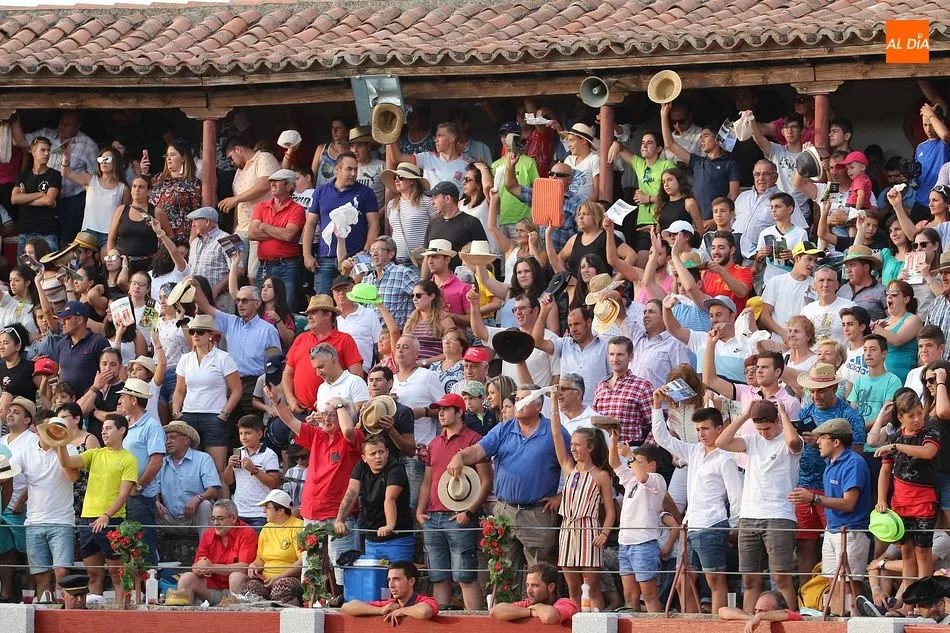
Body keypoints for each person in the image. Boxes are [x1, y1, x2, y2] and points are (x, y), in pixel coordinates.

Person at [447, 386, 568, 574]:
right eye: (517, 399)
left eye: (524, 400)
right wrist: (460, 456)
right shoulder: (503, 428)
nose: (518, 403)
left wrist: (562, 496)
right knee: (502, 572)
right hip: (505, 510)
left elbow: (575, 467)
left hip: (538, 513)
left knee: (540, 572)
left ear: (538, 406)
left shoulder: (554, 431)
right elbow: (478, 451)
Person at [651, 399, 742, 614]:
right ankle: (692, 625)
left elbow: (736, 496)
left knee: (715, 580)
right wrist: (656, 406)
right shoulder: (694, 451)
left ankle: (717, 626)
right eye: (698, 429)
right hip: (691, 525)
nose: (701, 433)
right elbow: (662, 438)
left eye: (706, 428)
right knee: (683, 581)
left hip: (712, 524)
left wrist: (734, 526)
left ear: (719, 429)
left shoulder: (725, 459)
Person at [716, 400, 803, 612]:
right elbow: (721, 442)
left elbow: (794, 443)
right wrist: (746, 415)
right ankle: (749, 620)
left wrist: (783, 414)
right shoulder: (752, 440)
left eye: (767, 428)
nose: (764, 433)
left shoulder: (789, 438)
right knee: (749, 580)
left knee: (781, 578)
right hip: (749, 515)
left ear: (777, 421)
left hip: (779, 515)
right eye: (759, 429)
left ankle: (790, 621)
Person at [268, 391, 362, 585]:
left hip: (339, 513)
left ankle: (343, 601)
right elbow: (290, 420)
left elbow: (348, 431)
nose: (326, 418)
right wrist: (277, 401)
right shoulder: (317, 435)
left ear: (343, 415)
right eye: (324, 413)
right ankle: (312, 601)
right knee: (311, 567)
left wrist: (339, 404)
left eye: (332, 415)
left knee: (342, 567)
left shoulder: (352, 437)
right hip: (313, 510)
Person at [788, 417, 872, 616]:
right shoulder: (830, 463)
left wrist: (814, 499)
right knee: (831, 581)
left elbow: (849, 503)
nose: (817, 442)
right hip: (833, 529)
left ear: (836, 442)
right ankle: (837, 620)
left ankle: (853, 621)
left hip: (851, 531)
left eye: (822, 438)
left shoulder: (854, 463)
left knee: (850, 583)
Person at [54, 413, 138, 606]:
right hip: (87, 519)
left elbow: (124, 494)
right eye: (102, 429)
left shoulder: (129, 459)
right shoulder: (95, 453)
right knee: (92, 574)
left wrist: (106, 515)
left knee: (116, 574)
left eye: (108, 428)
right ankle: (95, 613)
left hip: (112, 521)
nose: (103, 432)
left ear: (122, 430)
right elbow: (67, 462)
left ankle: (121, 613)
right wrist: (60, 443)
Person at [869, 390, 940, 605]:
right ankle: (909, 602)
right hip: (900, 504)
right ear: (900, 417)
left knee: (923, 552)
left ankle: (925, 601)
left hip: (924, 502)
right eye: (911, 416)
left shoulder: (930, 433)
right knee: (907, 552)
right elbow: (885, 471)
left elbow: (928, 453)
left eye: (919, 413)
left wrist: (895, 446)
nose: (917, 419)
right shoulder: (895, 437)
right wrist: (882, 499)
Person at [190, 279, 281, 427]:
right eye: (238, 300)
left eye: (244, 300)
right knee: (230, 429)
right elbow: (206, 306)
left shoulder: (268, 330)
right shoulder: (231, 322)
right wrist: (196, 287)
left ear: (257, 303)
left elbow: (275, 362)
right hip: (231, 383)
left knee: (253, 428)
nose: (240, 304)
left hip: (255, 385)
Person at [12, 414, 80, 599]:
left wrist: (60, 449)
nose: (54, 434)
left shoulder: (70, 449)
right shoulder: (26, 451)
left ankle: (62, 610)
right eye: (51, 430)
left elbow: (73, 478)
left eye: (59, 431)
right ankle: (45, 608)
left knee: (62, 573)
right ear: (40, 431)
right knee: (41, 575)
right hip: (34, 522)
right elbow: (9, 471)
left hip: (62, 521)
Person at [172, 313, 242, 475]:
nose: (195, 335)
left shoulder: (223, 358)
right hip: (189, 415)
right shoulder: (185, 359)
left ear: (210, 335)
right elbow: (179, 390)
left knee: (217, 469)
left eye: (200, 332)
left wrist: (224, 413)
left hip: (214, 416)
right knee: (186, 468)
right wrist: (176, 412)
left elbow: (237, 390)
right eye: (192, 332)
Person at [304, 152, 380, 295]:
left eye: (356, 169)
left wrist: (364, 252)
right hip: (325, 257)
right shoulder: (321, 192)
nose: (353, 173)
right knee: (323, 301)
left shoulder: (366, 192)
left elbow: (374, 225)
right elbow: (310, 224)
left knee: (354, 300)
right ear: (337, 169)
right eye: (349, 169)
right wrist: (307, 255)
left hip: (354, 256)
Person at [608, 429, 664, 613]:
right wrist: (613, 441)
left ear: (652, 464)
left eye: (638, 462)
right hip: (625, 543)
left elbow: (643, 477)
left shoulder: (657, 479)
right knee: (630, 596)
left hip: (644, 542)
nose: (633, 465)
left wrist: (629, 456)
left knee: (648, 595)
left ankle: (656, 626)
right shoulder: (631, 480)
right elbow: (614, 463)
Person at [338, 436, 414, 567]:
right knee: (375, 578)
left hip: (398, 539)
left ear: (387, 452)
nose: (378, 457)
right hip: (372, 539)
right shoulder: (360, 467)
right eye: (373, 454)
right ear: (364, 458)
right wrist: (340, 519)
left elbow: (390, 498)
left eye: (381, 452)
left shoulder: (396, 468)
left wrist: (389, 525)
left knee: (398, 576)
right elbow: (351, 493)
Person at [282, 295, 362, 415]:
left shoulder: (345, 340)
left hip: (332, 412)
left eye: (313, 312)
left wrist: (327, 398)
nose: (309, 316)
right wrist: (290, 399)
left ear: (328, 315)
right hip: (301, 410)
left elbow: (356, 375)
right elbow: (287, 374)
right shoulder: (300, 339)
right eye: (308, 313)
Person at [661, 103, 740, 220]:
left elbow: (733, 195)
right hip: (696, 221)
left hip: (718, 221)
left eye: (706, 136)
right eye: (701, 137)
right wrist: (663, 115)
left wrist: (716, 219)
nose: (701, 139)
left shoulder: (730, 164)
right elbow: (670, 144)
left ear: (718, 138)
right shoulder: (697, 162)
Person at [116, 377, 165, 566]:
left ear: (134, 399)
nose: (121, 400)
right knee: (125, 547)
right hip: (122, 493)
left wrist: (138, 487)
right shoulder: (125, 424)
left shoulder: (152, 426)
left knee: (143, 546)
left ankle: (149, 582)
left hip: (139, 496)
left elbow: (156, 461)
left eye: (124, 397)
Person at [174, 499, 259, 605]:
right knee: (186, 578)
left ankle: (236, 613)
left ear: (233, 518)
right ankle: (185, 615)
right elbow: (195, 566)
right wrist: (200, 568)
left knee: (236, 577)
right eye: (213, 518)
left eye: (220, 519)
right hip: (212, 587)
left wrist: (212, 567)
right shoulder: (208, 534)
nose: (215, 523)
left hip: (237, 588)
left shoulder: (247, 533)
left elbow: (244, 567)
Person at [533, 299, 609, 407]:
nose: (573, 329)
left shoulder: (605, 346)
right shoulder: (564, 344)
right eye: (570, 325)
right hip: (566, 411)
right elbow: (537, 342)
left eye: (577, 324)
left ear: (589, 322)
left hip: (596, 410)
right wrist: (544, 311)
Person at [238, 489, 304, 605]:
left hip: (291, 577)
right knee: (250, 589)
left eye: (267, 508)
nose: (264, 511)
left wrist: (279, 577)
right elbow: (260, 558)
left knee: (281, 588)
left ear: (280, 510)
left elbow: (302, 560)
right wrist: (253, 565)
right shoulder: (266, 529)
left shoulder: (298, 526)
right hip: (266, 579)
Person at [156, 420, 220, 538]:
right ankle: (146, 550)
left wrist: (197, 499)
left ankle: (206, 549)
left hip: (195, 518)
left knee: (205, 505)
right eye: (166, 438)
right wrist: (156, 501)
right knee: (146, 506)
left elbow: (213, 490)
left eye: (173, 437)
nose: (168, 442)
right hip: (170, 519)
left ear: (186, 440)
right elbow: (155, 488)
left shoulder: (203, 458)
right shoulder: (162, 462)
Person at [60, 145, 129, 252]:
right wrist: (66, 158)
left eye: (107, 159)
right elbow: (66, 173)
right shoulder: (90, 179)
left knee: (108, 258)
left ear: (116, 161)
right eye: (101, 159)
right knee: (76, 257)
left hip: (109, 234)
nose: (103, 162)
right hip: (88, 231)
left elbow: (125, 215)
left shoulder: (123, 188)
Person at [592, 336, 652, 446]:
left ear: (630, 357)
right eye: (611, 354)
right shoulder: (601, 386)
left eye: (620, 354)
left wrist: (643, 451)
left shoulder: (642, 386)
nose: (615, 359)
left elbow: (655, 425)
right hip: (603, 450)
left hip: (630, 449)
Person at [223, 416, 281, 527]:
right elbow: (228, 481)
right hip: (238, 511)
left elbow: (275, 483)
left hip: (261, 513)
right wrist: (229, 466)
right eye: (241, 433)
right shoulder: (238, 452)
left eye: (248, 433)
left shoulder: (269, 454)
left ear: (259, 434)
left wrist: (254, 469)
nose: (243, 437)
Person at [140, 138, 201, 243]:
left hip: (178, 238)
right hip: (152, 236)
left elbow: (196, 214)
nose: (168, 158)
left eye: (172, 155)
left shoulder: (193, 183)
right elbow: (141, 198)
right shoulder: (157, 178)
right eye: (167, 155)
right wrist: (144, 173)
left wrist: (191, 242)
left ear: (183, 158)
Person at [759, 241, 823, 340]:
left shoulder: (817, 285)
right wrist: (782, 332)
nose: (812, 264)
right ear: (797, 258)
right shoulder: (776, 281)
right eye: (809, 259)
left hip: (804, 344)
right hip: (779, 343)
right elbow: (765, 315)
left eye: (815, 261)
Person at [340, 561, 439, 625]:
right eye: (389, 580)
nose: (391, 585)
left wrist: (401, 611)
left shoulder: (425, 601)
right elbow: (346, 607)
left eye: (397, 579)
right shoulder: (389, 605)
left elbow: (424, 612)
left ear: (411, 581)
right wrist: (380, 610)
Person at [107, 176, 171, 273]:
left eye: (141, 187)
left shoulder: (157, 212)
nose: (137, 190)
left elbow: (170, 236)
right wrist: (113, 258)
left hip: (149, 265)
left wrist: (161, 257)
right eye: (134, 186)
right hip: (123, 265)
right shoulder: (121, 210)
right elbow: (111, 240)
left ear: (149, 191)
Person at [11, 137, 61, 253]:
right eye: (43, 150)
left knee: (49, 264)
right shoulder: (23, 176)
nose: (47, 153)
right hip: (25, 231)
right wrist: (40, 194)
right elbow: (14, 199)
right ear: (33, 152)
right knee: (25, 265)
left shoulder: (55, 175)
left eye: (48, 150)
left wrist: (25, 199)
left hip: (47, 232)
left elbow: (48, 200)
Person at [490, 561, 579, 624]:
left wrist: (537, 606)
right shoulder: (529, 603)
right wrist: (531, 612)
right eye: (528, 585)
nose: (529, 591)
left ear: (551, 587)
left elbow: (549, 617)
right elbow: (495, 611)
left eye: (535, 586)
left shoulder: (566, 603)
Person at [360, 236, 420, 330]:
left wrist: (412, 323)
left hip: (398, 333)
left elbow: (424, 296)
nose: (374, 254)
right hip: (371, 334)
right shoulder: (366, 280)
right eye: (371, 251)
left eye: (378, 250)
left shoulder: (403, 273)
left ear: (391, 254)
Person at [380, 162, 434, 264]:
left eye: (401, 177)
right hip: (396, 260)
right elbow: (393, 231)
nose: (396, 180)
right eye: (395, 177)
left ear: (412, 181)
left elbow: (436, 228)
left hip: (420, 261)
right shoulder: (391, 204)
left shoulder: (427, 201)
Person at [421, 182, 488, 263]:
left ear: (447, 199)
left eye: (435, 197)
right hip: (435, 272)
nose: (432, 202)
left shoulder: (471, 223)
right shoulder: (433, 223)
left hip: (462, 271)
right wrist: (424, 272)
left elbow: (483, 256)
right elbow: (427, 255)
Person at [873, 279, 921, 383]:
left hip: (902, 378)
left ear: (906, 299)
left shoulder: (913, 319)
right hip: (881, 378)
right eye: (887, 294)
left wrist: (876, 329)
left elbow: (897, 340)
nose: (889, 297)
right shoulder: (882, 322)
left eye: (894, 294)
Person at [332, 275, 382, 374]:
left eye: (345, 289)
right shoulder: (328, 317)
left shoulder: (368, 314)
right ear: (333, 294)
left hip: (365, 372)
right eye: (337, 290)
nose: (341, 293)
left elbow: (380, 345)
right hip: (336, 373)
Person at [186, 207, 233, 310]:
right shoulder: (195, 242)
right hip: (196, 301)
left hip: (219, 299)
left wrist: (216, 289)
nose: (193, 225)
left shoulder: (227, 239)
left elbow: (239, 269)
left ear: (207, 222)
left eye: (195, 221)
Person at [800, 266, 855, 342]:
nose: (825, 284)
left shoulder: (850, 307)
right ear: (814, 285)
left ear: (837, 285)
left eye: (830, 280)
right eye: (821, 280)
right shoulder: (807, 310)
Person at [312, 342, 370, 413]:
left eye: (321, 367)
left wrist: (339, 409)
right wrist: (315, 418)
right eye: (315, 369)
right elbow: (320, 416)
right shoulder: (322, 388)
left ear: (334, 361)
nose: (318, 373)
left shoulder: (355, 382)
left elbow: (363, 416)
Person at [838, 245, 887, 321]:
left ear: (866, 267)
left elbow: (894, 319)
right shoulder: (843, 290)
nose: (848, 270)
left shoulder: (882, 291)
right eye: (848, 266)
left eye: (852, 265)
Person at [718, 591, 804, 631]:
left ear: (777, 610)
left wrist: (760, 616)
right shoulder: (755, 618)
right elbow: (722, 611)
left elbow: (790, 614)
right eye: (756, 610)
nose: (757, 613)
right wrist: (753, 617)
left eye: (763, 611)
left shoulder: (787, 617)